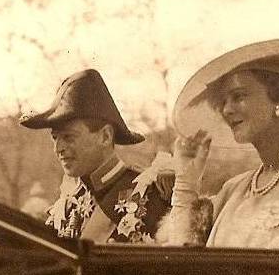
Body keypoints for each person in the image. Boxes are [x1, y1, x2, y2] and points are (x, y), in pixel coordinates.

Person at [157, 39, 279, 249]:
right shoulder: (233, 190)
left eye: (238, 96)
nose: (227, 110)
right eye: (223, 102)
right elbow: (182, 262)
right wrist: (186, 180)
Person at [19, 68, 172, 243]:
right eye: (55, 138)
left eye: (69, 137)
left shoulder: (152, 195)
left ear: (105, 136)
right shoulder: (66, 207)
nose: (58, 148)